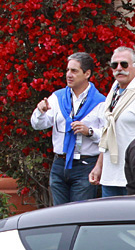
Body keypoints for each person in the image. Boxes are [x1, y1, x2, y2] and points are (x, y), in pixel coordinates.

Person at [30, 52, 107, 205]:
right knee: (59, 216)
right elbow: (38, 125)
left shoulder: (101, 102)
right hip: (60, 164)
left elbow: (108, 136)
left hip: (85, 165)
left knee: (79, 215)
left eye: (74, 71)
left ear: (87, 74)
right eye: (67, 70)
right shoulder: (57, 98)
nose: (69, 75)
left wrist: (89, 132)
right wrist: (40, 111)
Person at [89, 47, 135, 197]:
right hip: (110, 177)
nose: (119, 69)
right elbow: (108, 132)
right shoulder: (113, 92)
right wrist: (99, 166)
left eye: (124, 64)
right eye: (115, 65)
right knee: (110, 221)